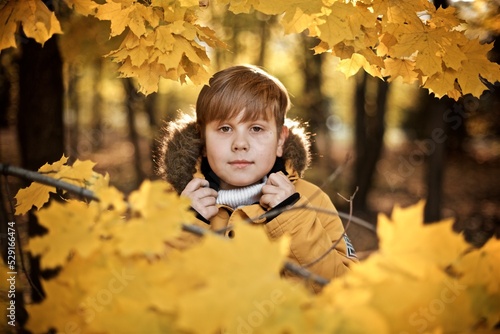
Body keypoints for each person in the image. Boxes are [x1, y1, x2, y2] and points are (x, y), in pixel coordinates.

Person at [156, 64, 357, 292]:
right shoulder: (170, 205)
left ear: (280, 140)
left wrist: (292, 219)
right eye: (224, 128)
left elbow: (346, 291)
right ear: (202, 139)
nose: (240, 144)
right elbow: (146, 298)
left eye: (256, 129)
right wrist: (187, 225)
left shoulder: (311, 200)